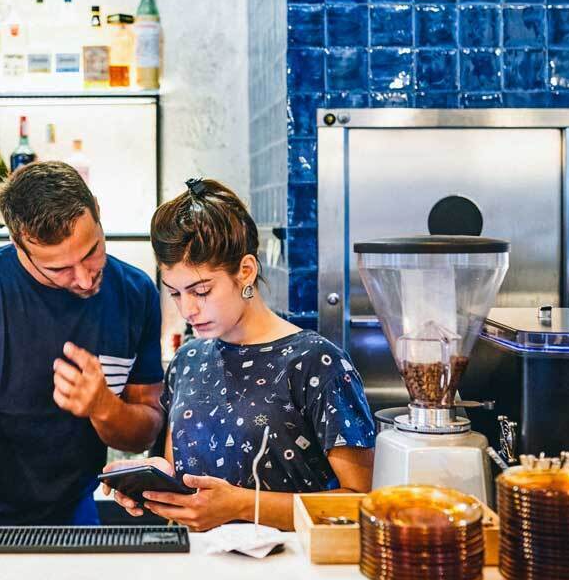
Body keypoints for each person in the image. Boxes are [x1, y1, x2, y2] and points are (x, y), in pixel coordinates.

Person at [103, 178, 375, 532]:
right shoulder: (187, 360)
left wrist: (243, 506)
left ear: (245, 271)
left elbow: (358, 504)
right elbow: (181, 476)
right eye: (175, 293)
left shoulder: (317, 362)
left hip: (288, 564)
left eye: (201, 291)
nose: (187, 309)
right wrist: (151, 484)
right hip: (195, 559)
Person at [0, 161, 165, 526]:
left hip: (74, 515)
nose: (84, 278)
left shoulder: (135, 292)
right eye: (59, 269)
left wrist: (104, 407)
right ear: (18, 244)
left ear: (97, 209)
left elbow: (145, 430)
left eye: (91, 251)